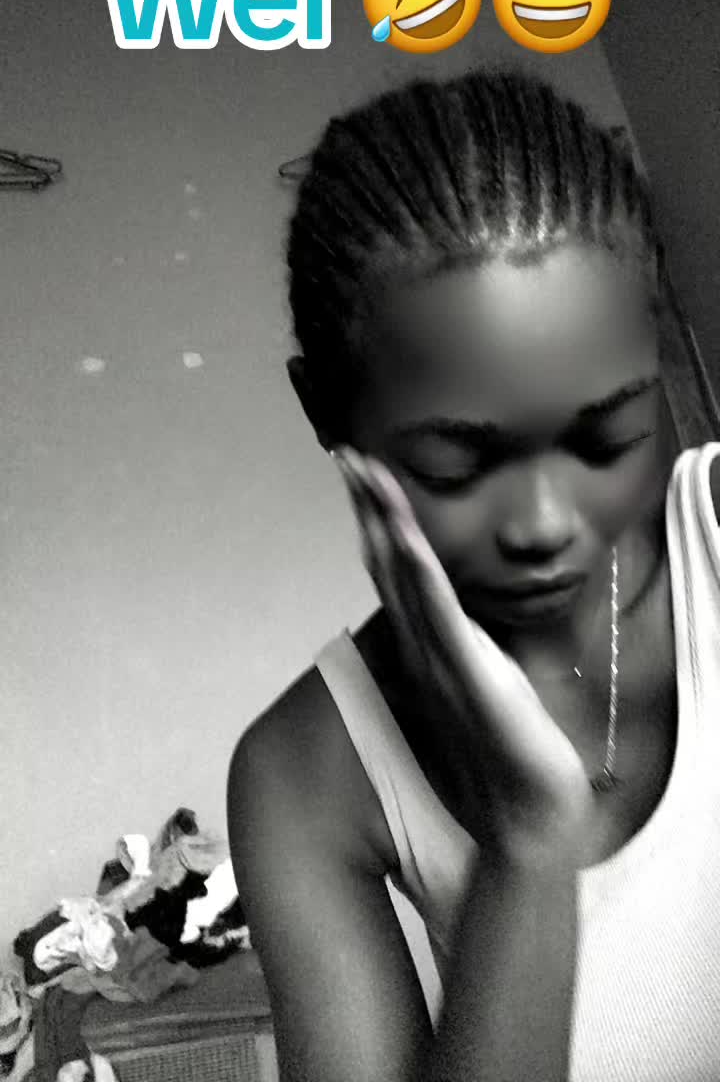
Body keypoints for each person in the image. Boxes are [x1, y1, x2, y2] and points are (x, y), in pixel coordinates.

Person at [227, 68, 720, 1082]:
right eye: (457, 461)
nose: (546, 525)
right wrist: (527, 850)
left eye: (605, 432)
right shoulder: (308, 770)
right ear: (325, 412)